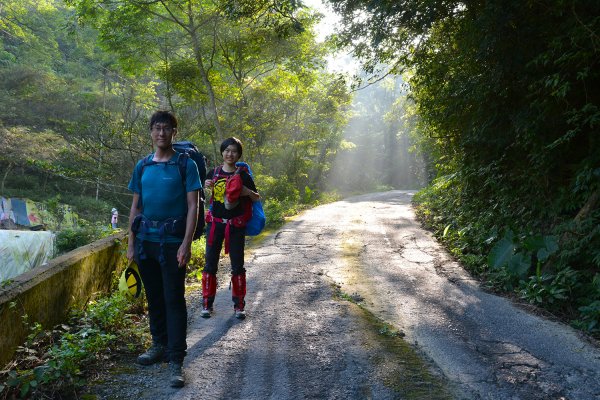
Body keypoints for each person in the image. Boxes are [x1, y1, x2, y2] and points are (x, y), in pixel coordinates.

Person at [126, 110, 201, 388]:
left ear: (173, 133)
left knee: (173, 298)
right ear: (151, 132)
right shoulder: (143, 166)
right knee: (155, 297)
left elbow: (193, 206)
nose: (161, 133)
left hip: (172, 245)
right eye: (156, 128)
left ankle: (176, 359)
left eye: (166, 128)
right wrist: (131, 243)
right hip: (146, 243)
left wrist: (186, 243)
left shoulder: (185, 165)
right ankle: (158, 345)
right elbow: (136, 206)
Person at [202, 137, 260, 319]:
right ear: (222, 152)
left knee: (238, 265)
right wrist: (206, 186)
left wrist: (246, 192)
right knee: (210, 263)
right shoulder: (213, 173)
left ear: (238, 154)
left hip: (235, 226)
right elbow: (206, 197)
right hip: (215, 224)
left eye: (234, 151)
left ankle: (239, 305)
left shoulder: (243, 175)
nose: (230, 154)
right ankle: (207, 304)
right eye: (227, 150)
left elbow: (256, 197)